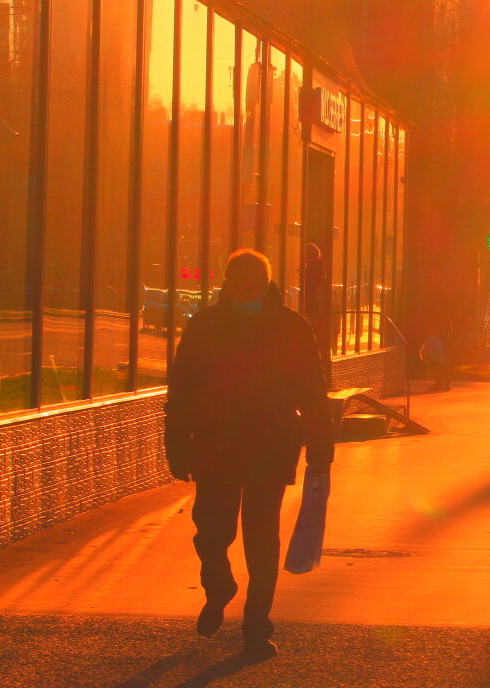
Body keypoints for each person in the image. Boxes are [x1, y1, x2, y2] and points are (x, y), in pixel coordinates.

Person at [165, 249, 333, 661]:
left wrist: (320, 445)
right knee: (212, 532)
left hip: (269, 445)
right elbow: (182, 388)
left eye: (251, 287)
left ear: (266, 285)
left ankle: (257, 624)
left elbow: (311, 389)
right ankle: (219, 587)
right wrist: (177, 443)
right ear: (226, 284)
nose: (244, 295)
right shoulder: (206, 324)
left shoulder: (290, 327)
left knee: (261, 539)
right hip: (215, 443)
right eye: (238, 287)